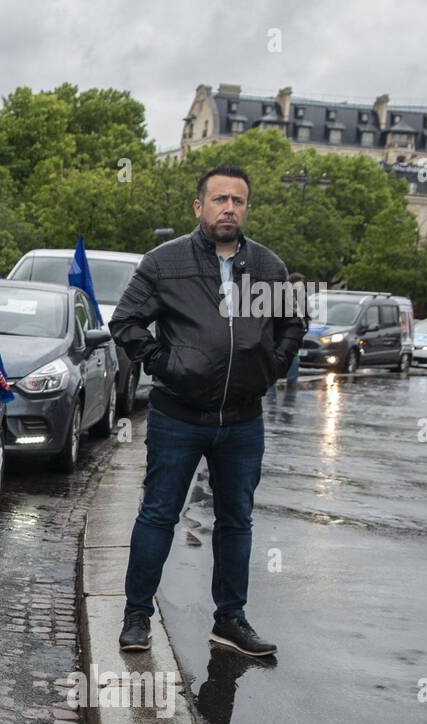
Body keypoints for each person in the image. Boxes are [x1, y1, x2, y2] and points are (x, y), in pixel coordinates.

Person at [107, 164, 303, 658]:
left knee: (237, 521)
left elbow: (293, 324)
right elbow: (126, 322)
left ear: (247, 208)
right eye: (219, 200)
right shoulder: (164, 263)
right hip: (178, 416)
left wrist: (271, 369)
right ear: (199, 207)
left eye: (237, 201)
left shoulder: (269, 267)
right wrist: (166, 365)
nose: (228, 208)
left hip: (242, 421)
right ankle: (136, 617)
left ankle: (230, 620)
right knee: (158, 515)